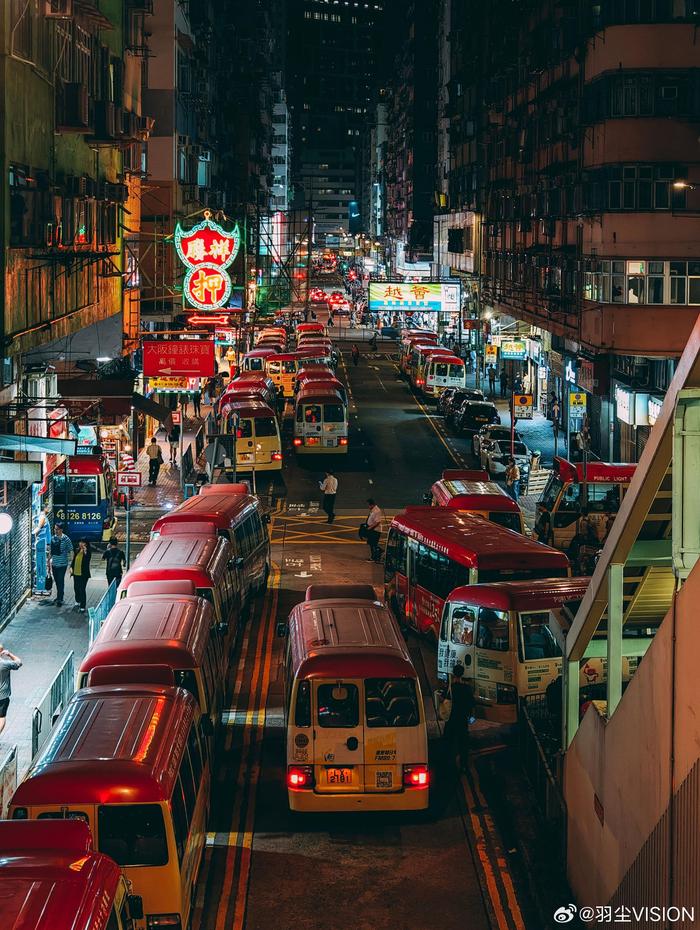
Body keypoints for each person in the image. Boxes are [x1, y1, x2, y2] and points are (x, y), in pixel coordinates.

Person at [443, 663, 475, 773]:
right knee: (463, 744)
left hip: (451, 719)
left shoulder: (450, 688)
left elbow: (445, 700)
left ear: (453, 674)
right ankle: (463, 765)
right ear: (462, 674)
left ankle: (448, 764)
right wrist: (470, 715)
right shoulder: (467, 688)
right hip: (462, 720)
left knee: (448, 741)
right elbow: (472, 703)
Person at [47, 523, 73, 608]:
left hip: (62, 564)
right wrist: (48, 560)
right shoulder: (53, 538)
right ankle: (59, 596)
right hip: (54, 563)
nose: (56, 531)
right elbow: (51, 551)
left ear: (61, 529)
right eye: (55, 529)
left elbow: (71, 550)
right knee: (57, 581)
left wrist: (71, 564)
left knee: (60, 580)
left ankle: (60, 599)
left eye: (57, 529)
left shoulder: (66, 539)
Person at [0, 644, 22, 737]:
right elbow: (19, 662)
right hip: (3, 695)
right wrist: (9, 654)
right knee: (1, 717)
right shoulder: (5, 664)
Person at [33, 506, 52, 597]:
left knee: (43, 565)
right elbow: (39, 528)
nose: (49, 508)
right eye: (47, 506)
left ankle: (42, 586)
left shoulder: (41, 517)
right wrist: (34, 535)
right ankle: (42, 586)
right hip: (42, 546)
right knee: (42, 565)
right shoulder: (42, 517)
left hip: (43, 545)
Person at [70, 539, 92, 613]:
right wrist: (71, 567)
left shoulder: (88, 552)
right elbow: (74, 560)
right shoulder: (77, 550)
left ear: (86, 544)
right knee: (76, 587)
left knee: (82, 589)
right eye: (80, 542)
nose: (80, 544)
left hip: (83, 574)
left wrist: (85, 551)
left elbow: (87, 559)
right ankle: (77, 600)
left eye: (82, 542)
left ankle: (83, 606)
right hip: (76, 573)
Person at [365, 498, 384, 562]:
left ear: (372, 505)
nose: (368, 507)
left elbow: (377, 522)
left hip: (375, 530)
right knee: (371, 544)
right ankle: (374, 556)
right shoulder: (373, 510)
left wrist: (370, 528)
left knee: (373, 544)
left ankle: (374, 557)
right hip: (372, 530)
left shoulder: (377, 511)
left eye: (368, 505)